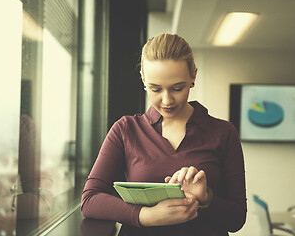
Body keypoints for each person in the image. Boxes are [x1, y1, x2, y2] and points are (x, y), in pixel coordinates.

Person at [81, 33, 247, 236]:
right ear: (143, 78)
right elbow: (90, 200)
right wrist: (147, 216)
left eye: (177, 88)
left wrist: (206, 197)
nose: (167, 100)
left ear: (193, 76)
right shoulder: (125, 129)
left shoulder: (223, 132)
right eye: (155, 89)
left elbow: (237, 218)